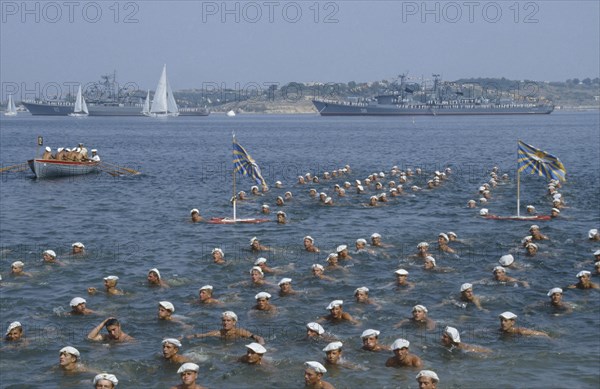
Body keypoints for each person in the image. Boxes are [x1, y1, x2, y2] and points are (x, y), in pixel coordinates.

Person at [187, 311, 265, 345]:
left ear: (234, 322)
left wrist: (260, 343)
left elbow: (257, 337)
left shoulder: (240, 331)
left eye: (228, 321)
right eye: (224, 320)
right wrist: (188, 337)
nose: (225, 323)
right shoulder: (219, 333)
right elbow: (202, 335)